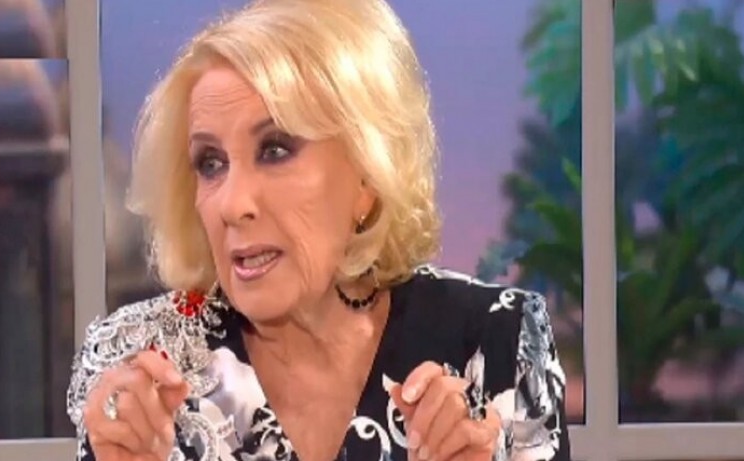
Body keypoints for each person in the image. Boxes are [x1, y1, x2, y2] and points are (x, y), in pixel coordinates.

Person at [67, 0, 571, 460]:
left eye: (274, 150)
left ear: (368, 176)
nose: (232, 205)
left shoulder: (497, 344)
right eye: (211, 162)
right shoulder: (140, 365)